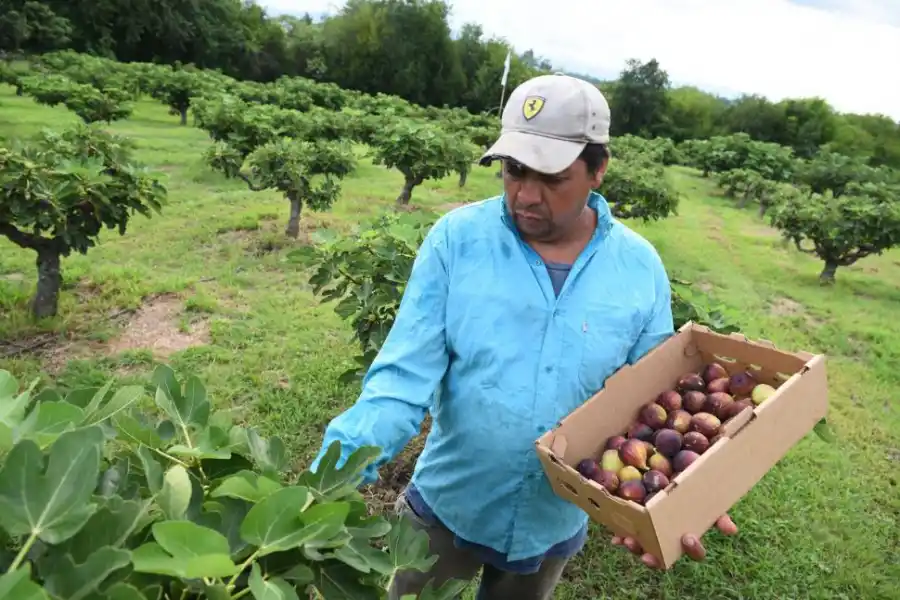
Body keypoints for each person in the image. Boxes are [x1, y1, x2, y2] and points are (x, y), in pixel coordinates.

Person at [309, 73, 738, 599]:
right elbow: (401, 379)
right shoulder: (457, 242)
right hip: (448, 506)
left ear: (598, 169)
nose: (526, 195)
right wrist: (334, 471)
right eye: (514, 170)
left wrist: (683, 497)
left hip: (553, 523)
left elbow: (650, 407)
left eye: (552, 177)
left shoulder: (639, 269)